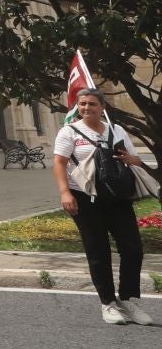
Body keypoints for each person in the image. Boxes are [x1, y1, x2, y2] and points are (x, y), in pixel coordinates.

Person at [53, 88, 158, 326]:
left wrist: (130, 159)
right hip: (85, 198)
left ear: (103, 107)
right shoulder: (69, 132)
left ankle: (127, 300)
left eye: (92, 104)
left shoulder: (116, 129)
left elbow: (135, 159)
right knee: (98, 250)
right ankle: (108, 303)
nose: (86, 108)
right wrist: (65, 192)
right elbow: (59, 163)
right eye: (82, 104)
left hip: (117, 197)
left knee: (132, 248)